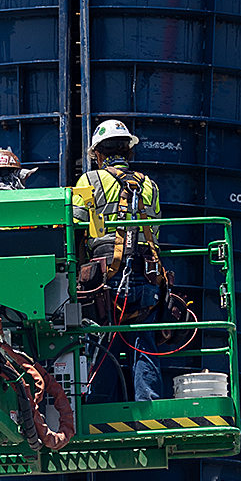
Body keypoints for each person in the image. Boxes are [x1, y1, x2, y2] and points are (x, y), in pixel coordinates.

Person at [71, 120, 164, 403]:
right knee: (142, 337)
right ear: (128, 151)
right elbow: (155, 231)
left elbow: (74, 224)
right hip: (146, 272)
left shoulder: (89, 181)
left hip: (105, 273)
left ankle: (99, 404)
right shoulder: (150, 185)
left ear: (98, 153)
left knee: (104, 338)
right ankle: (148, 401)